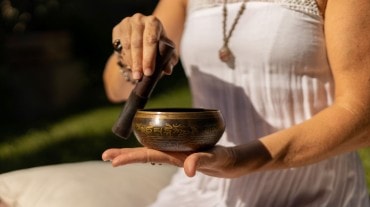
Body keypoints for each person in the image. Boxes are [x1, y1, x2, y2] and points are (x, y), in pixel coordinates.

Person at [102, 0, 370, 206]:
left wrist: (237, 161)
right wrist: (128, 52)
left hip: (312, 195)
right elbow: (115, 88)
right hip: (200, 191)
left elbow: (361, 114)